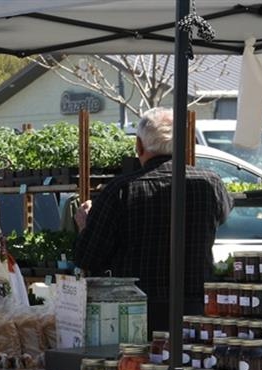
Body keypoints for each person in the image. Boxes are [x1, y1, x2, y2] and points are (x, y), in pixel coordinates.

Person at [73, 107, 233, 334]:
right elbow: (224, 214)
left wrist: (85, 225)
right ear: (183, 143)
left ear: (139, 145)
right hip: (196, 303)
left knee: (139, 366)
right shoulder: (210, 184)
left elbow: (88, 256)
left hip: (135, 310)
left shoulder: (121, 189)